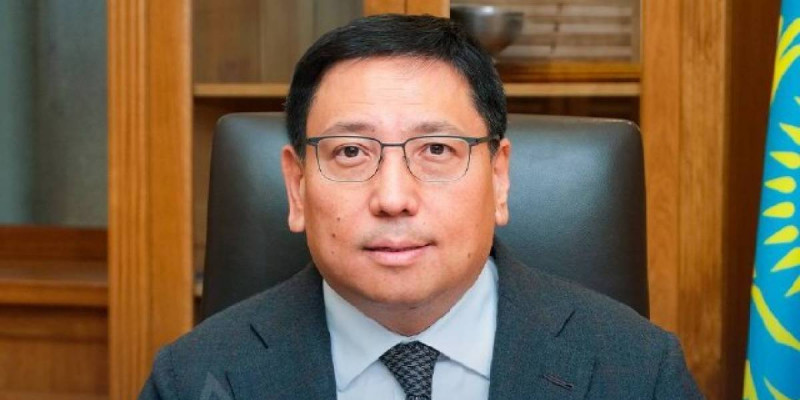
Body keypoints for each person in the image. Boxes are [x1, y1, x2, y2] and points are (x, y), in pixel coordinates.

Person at [139, 14, 703, 400]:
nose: (393, 199)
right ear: (297, 187)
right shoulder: (192, 379)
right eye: (351, 152)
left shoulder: (637, 371)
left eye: (436, 150)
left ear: (499, 178)